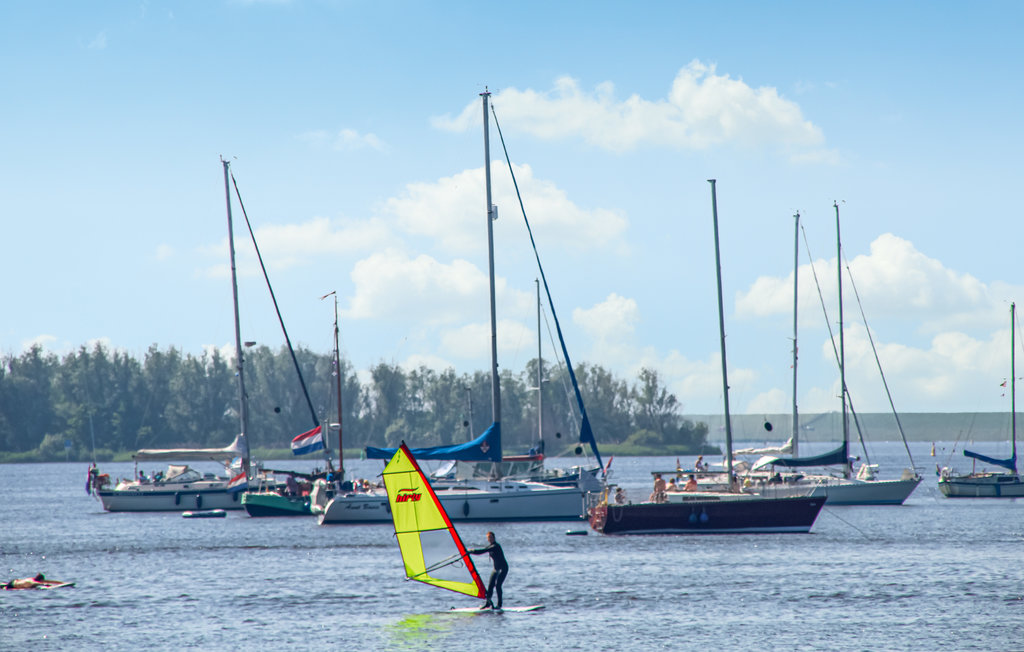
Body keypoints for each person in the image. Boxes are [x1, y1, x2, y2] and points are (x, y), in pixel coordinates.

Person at [469, 531, 508, 610]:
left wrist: (472, 551)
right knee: (490, 586)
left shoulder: (496, 546)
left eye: (491, 537)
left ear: (494, 538)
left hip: (503, 568)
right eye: (488, 538)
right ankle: (488, 603)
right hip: (496, 569)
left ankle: (499, 605)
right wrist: (470, 552)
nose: (490, 539)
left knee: (498, 585)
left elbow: (482, 551)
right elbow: (482, 550)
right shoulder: (490, 546)